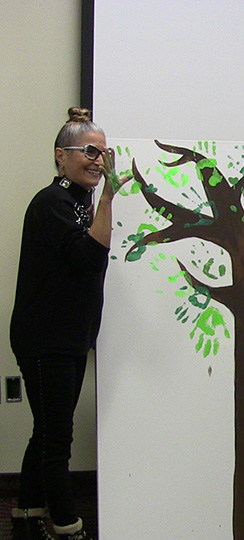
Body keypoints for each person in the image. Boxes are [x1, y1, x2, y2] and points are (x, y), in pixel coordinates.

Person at [9, 107, 131, 540]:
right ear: (61, 155)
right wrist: (111, 199)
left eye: (103, 152)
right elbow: (90, 257)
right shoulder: (53, 202)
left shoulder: (79, 201)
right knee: (58, 438)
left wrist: (101, 199)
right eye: (89, 151)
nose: (98, 160)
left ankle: (25, 517)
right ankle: (66, 525)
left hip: (68, 338)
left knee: (46, 432)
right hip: (47, 339)